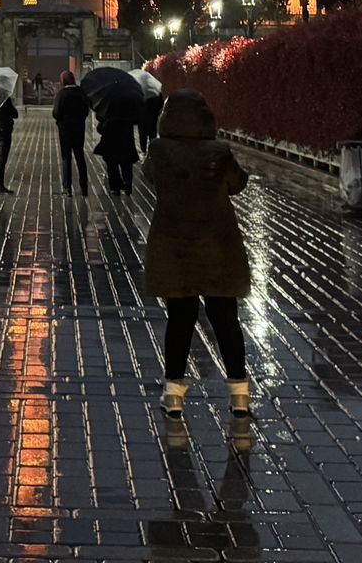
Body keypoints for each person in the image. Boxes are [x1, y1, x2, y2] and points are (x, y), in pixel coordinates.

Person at [143, 90, 251, 418]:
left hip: (176, 247)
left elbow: (149, 176)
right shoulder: (219, 152)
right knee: (226, 321)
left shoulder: (159, 150)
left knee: (180, 320)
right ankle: (240, 397)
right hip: (218, 247)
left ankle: (174, 396)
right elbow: (237, 184)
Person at [52, 70, 89, 195]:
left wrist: (61, 120)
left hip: (65, 130)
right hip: (79, 129)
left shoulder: (61, 94)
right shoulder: (81, 92)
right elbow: (86, 110)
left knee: (66, 157)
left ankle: (67, 187)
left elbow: (56, 112)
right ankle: (84, 187)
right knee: (80, 156)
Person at [94, 99, 139, 196]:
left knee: (111, 163)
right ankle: (127, 183)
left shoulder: (107, 100)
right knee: (126, 162)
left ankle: (115, 187)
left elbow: (99, 117)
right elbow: (136, 119)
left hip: (110, 137)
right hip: (126, 137)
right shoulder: (128, 102)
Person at [138, 89, 165, 153]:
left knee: (142, 135)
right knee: (152, 133)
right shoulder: (156, 90)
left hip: (142, 116)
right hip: (152, 116)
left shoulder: (139, 90)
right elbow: (161, 105)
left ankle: (143, 151)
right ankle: (152, 151)